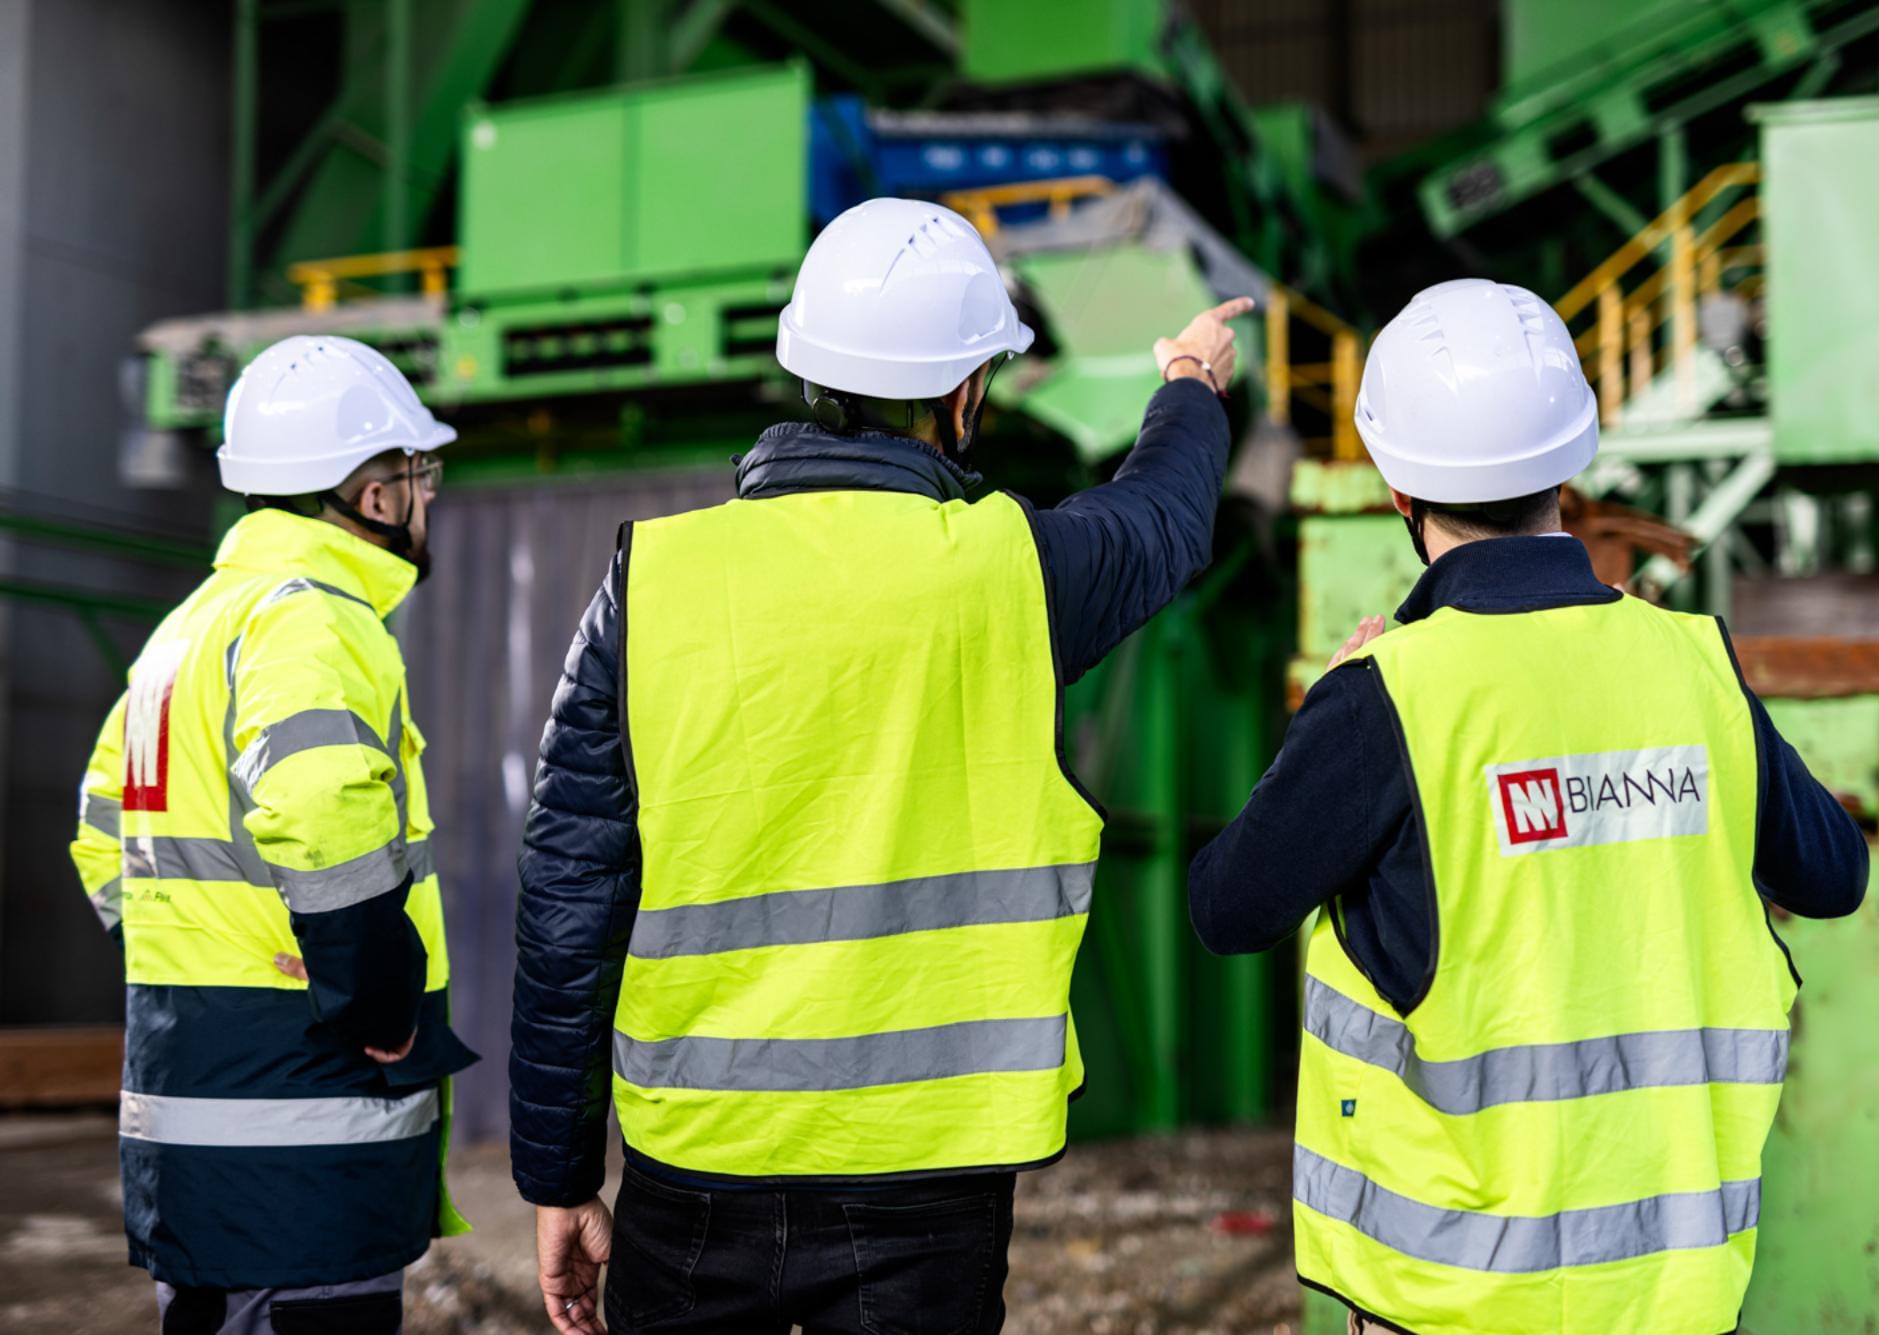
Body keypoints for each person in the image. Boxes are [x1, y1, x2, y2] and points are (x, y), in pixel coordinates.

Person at [510, 196, 1250, 1334]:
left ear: (809, 373)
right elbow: (1163, 518)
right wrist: (1190, 383)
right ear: (965, 394)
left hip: (696, 1165)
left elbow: (569, 889)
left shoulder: (652, 580)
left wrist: (557, 1176)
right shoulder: (1013, 571)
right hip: (929, 1177)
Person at [1187, 278, 1867, 1335]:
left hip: (1457, 1296)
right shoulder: (1694, 665)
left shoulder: (1385, 697)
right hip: (1669, 1295)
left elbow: (1227, 908)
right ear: (1569, 461)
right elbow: (1831, 875)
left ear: (1398, 489)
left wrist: (1321, 720)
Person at [70, 335, 479, 1335]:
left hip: (192, 1114)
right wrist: (375, 994)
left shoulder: (188, 629)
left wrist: (203, 953)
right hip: (301, 1132)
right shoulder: (312, 619)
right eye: (418, 477)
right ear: (373, 494)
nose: (427, 499)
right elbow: (320, 808)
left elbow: (99, 831)